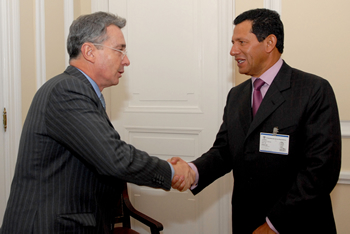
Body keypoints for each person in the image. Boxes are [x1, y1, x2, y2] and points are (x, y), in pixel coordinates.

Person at [0, 11, 193, 234]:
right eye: (119, 50)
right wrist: (170, 171)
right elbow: (115, 158)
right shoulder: (67, 90)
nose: (127, 60)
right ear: (89, 51)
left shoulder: (78, 91)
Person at [170, 8, 341, 234]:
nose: (233, 50)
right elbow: (223, 151)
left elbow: (321, 171)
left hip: (295, 223)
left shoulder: (313, 90)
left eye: (242, 42)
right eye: (233, 42)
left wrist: (273, 225)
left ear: (269, 43)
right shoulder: (236, 96)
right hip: (246, 222)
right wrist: (192, 171)